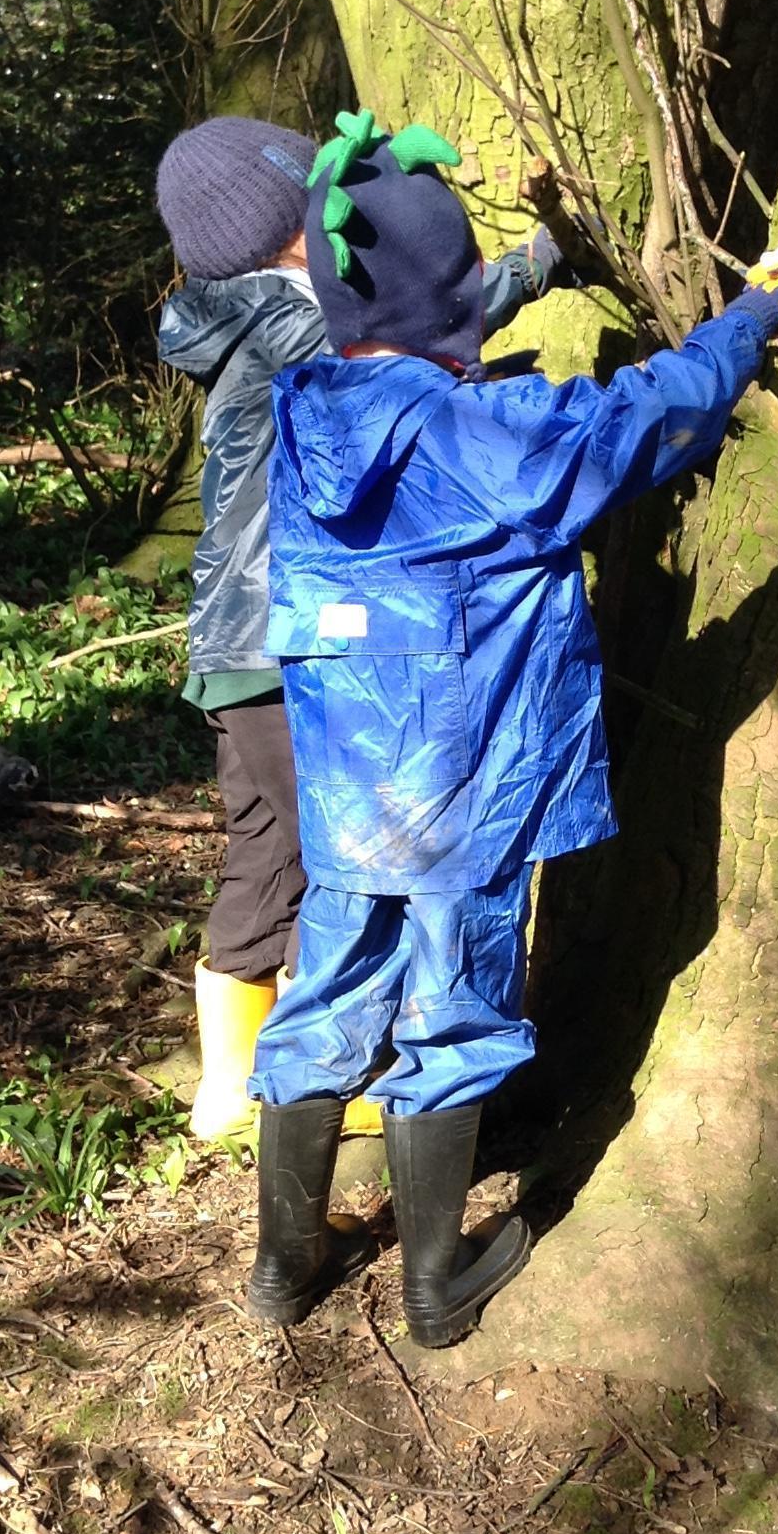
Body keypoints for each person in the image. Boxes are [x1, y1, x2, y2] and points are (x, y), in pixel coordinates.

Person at [244, 107, 778, 1343]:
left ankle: (282, 1270)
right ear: (445, 297)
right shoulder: (473, 434)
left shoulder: (302, 411)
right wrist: (751, 316)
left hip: (352, 792)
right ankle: (433, 1285)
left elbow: (419, 396)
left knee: (327, 993)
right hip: (460, 788)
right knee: (455, 1006)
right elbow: (635, 421)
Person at [153, 115, 567, 1145]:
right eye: (324, 203)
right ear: (291, 231)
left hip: (234, 646)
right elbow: (424, 319)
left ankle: (228, 1091)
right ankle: (336, 1094)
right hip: (293, 636)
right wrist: (539, 261)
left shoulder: (234, 319)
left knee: (268, 854)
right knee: (352, 863)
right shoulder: (294, 317)